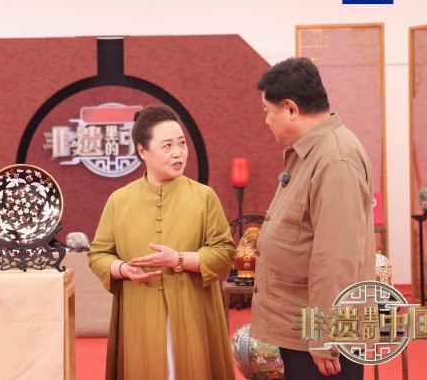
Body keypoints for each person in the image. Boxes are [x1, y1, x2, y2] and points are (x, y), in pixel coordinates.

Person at [88, 104, 237, 380]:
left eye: (182, 143)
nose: (178, 153)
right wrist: (123, 269)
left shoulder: (204, 197)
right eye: (167, 146)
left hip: (193, 310)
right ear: (142, 151)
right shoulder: (119, 200)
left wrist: (179, 259)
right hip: (139, 312)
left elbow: (225, 252)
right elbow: (98, 255)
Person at [250, 57, 376, 379]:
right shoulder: (312, 150)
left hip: (321, 335)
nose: (266, 120)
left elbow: (335, 258)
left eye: (268, 111)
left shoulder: (335, 159)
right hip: (303, 324)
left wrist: (325, 338)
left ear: (291, 108)